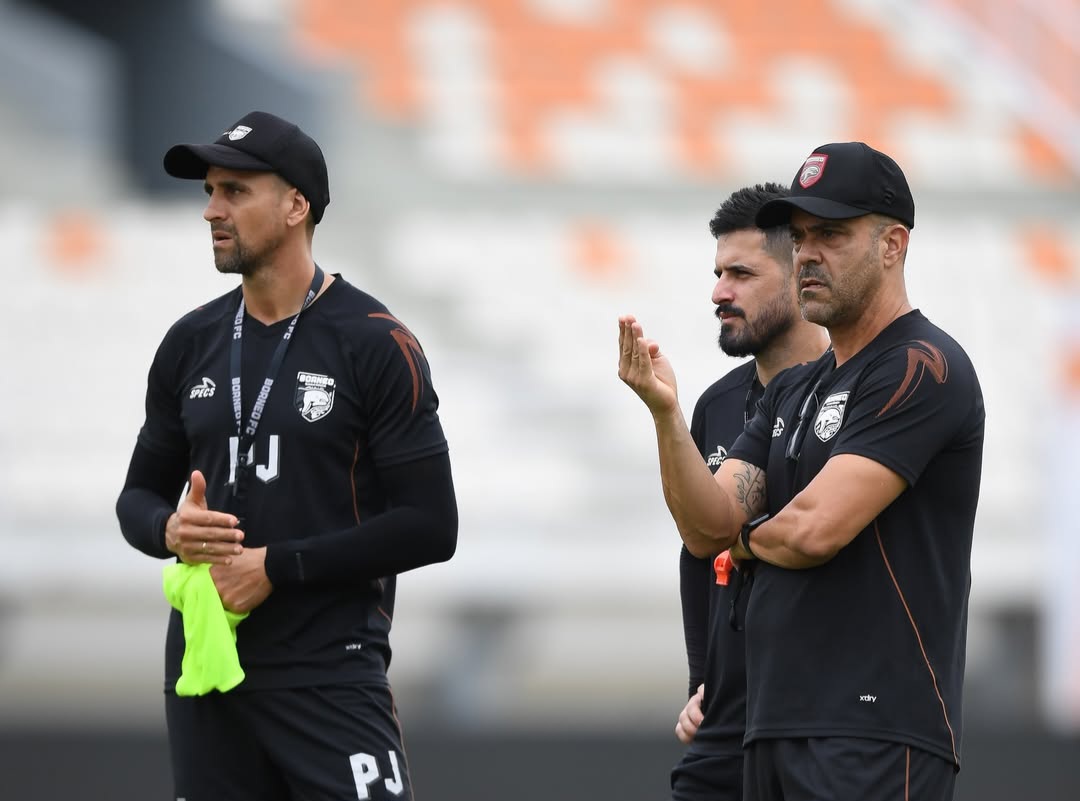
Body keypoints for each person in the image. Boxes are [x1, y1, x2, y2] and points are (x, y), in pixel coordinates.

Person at [620, 142, 984, 801]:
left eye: (833, 234)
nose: (809, 252)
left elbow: (816, 528)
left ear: (892, 245)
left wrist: (745, 538)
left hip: (875, 729)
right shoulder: (798, 388)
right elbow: (707, 528)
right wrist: (666, 414)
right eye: (803, 235)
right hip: (775, 725)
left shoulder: (922, 365)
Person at [116, 111, 458, 801]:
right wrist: (168, 530)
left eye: (235, 191)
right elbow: (136, 499)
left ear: (296, 204)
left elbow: (432, 525)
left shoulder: (374, 343)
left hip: (330, 670)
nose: (212, 210)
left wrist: (274, 566)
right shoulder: (190, 342)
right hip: (207, 671)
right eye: (209, 191)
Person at [670, 184, 828, 801]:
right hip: (728, 724)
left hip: (820, 718)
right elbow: (695, 553)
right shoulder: (717, 405)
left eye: (741, 273)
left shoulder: (850, 395)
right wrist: (702, 681)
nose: (719, 293)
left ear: (798, 277)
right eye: (717, 274)